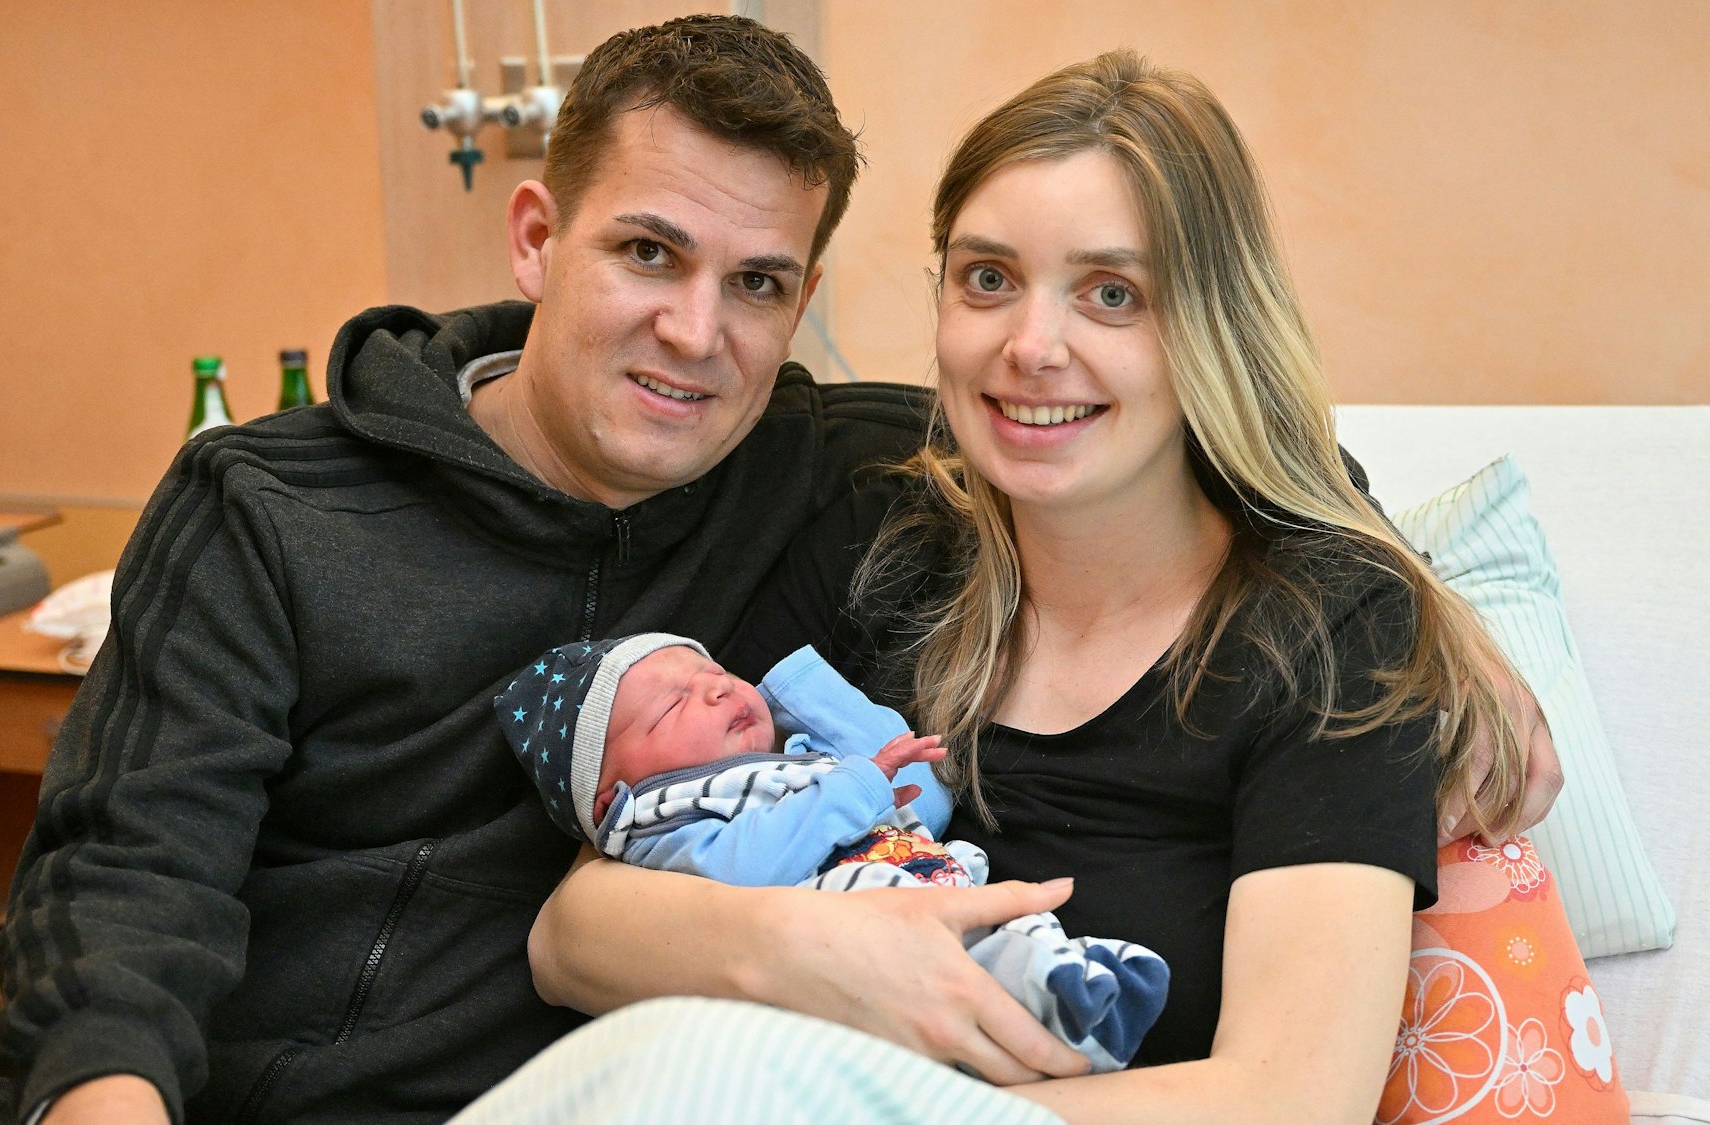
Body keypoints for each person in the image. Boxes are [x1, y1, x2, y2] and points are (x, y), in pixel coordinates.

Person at [0, 16, 1102, 1125]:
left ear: (800, 300)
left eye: (755, 283)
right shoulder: (266, 503)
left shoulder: (826, 479)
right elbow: (126, 885)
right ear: (536, 239)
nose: (696, 334)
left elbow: (1123, 431)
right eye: (648, 253)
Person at [525, 49, 1560, 1122]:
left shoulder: (1324, 626)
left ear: (1211, 326)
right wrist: (815, 950)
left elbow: (1291, 1099)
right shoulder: (876, 540)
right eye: (986, 279)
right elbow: (573, 934)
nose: (1029, 347)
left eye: (1109, 294)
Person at [496, 633, 1169, 1072]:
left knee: (997, 922)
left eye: (718, 671)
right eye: (672, 706)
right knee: (963, 964)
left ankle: (1075, 989)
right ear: (611, 798)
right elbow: (750, 869)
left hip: (927, 880)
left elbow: (922, 793)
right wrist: (857, 782)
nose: (716, 687)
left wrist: (796, 688)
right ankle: (1057, 997)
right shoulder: (668, 823)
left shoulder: (794, 761)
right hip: (848, 947)